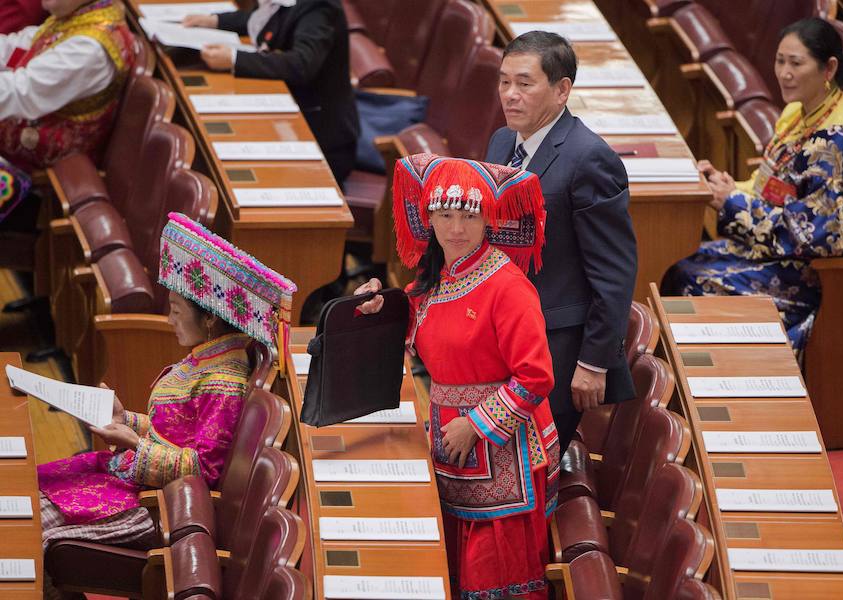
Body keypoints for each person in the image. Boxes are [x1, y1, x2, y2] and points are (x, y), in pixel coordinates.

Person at [37, 212, 297, 595]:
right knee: (34, 492)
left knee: (33, 526)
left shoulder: (223, 380)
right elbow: (178, 431)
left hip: (155, 507)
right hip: (137, 482)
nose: (170, 319)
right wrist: (128, 419)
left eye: (176, 310)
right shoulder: (207, 358)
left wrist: (132, 442)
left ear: (209, 320)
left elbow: (204, 467)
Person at [356, 154, 559, 599]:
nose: (456, 229)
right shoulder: (433, 280)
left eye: (469, 216)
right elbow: (405, 327)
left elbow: (536, 375)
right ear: (428, 217)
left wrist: (477, 425)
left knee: (495, 577)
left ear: (488, 218)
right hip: (450, 446)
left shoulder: (508, 286)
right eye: (444, 215)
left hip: (504, 450)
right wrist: (375, 307)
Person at [662, 18, 843, 352]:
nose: (784, 72)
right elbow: (766, 186)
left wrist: (730, 203)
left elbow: (808, 234)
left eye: (796, 64)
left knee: (690, 280)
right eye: (780, 60)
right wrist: (727, 187)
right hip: (774, 252)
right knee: (677, 263)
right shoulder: (797, 113)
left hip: (812, 274)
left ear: (828, 68)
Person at [485, 31, 638, 452]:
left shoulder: (589, 158)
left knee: (515, 462)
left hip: (558, 345)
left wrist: (593, 362)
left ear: (561, 89)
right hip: (501, 328)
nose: (510, 95)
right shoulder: (501, 142)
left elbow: (614, 272)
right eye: (503, 82)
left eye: (524, 83)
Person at [183, 0, 359, 184]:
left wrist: (235, 59)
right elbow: (265, 21)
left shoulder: (320, 6)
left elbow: (302, 64)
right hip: (285, 118)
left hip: (320, 140)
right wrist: (215, 21)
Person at [0, 0, 134, 171]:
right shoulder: (78, 15)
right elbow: (14, 50)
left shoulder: (90, 48)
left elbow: (21, 92)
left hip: (30, 173)